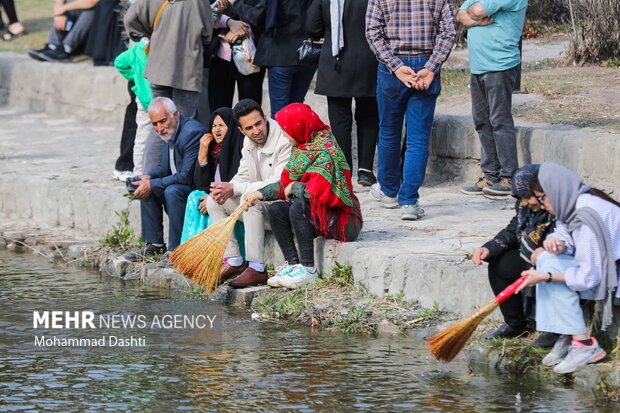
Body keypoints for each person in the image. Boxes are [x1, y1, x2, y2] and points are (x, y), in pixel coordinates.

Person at [517, 162, 620, 374]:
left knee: (548, 269)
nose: (541, 204)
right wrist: (556, 242)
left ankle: (584, 345)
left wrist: (545, 277)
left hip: (612, 279)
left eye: (542, 197)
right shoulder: (573, 205)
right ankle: (567, 331)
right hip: (601, 272)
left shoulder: (587, 216)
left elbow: (588, 278)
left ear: (556, 191)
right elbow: (565, 234)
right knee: (546, 257)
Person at [246, 103, 363, 289]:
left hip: (343, 220)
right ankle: (293, 265)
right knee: (276, 209)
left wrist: (295, 186)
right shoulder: (302, 148)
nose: (284, 135)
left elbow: (320, 193)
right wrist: (260, 194)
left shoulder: (325, 150)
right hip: (321, 214)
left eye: (286, 130)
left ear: (298, 126)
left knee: (297, 206)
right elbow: (284, 186)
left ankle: (308, 269)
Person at [366, 0, 456, 220]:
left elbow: (372, 32)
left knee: (388, 133)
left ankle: (388, 192)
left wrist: (395, 66)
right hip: (425, 65)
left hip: (392, 71)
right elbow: (449, 32)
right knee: (418, 139)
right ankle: (409, 201)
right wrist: (431, 67)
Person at [206, 98, 292, 288]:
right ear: (240, 130)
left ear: (265, 117)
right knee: (214, 201)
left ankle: (257, 267)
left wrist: (235, 189)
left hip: (282, 212)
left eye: (258, 123)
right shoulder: (249, 142)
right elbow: (243, 175)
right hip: (262, 209)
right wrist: (226, 189)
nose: (256, 131)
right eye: (249, 128)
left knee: (250, 200)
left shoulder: (283, 139)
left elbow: (280, 181)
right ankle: (234, 260)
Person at [472, 164, 558, 347]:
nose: (524, 203)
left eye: (527, 197)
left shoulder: (560, 208)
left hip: (559, 265)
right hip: (533, 256)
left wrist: (545, 251)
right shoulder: (525, 206)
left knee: (548, 263)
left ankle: (555, 330)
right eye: (520, 198)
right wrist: (489, 248)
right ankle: (516, 324)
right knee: (500, 263)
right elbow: (514, 230)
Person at [124, 97, 206, 262]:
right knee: (146, 186)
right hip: (182, 186)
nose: (159, 128)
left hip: (198, 190)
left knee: (171, 190)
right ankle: (154, 243)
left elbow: (185, 176)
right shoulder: (170, 130)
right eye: (154, 124)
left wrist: (152, 183)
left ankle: (177, 250)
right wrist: (148, 178)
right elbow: (164, 167)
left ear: (175, 115)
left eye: (162, 121)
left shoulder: (192, 133)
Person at [306, 0, 379, 187]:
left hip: (336, 62)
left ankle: (344, 170)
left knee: (340, 121)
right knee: (369, 115)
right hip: (370, 60)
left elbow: (312, 28)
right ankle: (366, 170)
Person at [458, 0, 527, 196]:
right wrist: (477, 21)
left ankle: (509, 177)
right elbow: (461, 15)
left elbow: (476, 9)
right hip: (478, 66)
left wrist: (474, 14)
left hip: (500, 65)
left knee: (500, 120)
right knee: (482, 121)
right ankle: (490, 175)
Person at [124, 0, 213, 119]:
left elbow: (130, 19)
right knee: (182, 122)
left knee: (161, 122)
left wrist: (152, 34)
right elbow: (207, 33)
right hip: (187, 71)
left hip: (158, 67)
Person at [234, 0, 316, 117]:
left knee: (280, 113)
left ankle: (280, 136)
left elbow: (257, 16)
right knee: (296, 109)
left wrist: (235, 3)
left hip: (280, 54)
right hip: (307, 55)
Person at [180, 107, 244, 244]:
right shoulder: (213, 149)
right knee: (195, 196)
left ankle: (219, 254)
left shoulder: (240, 147)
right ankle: (193, 249)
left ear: (231, 126)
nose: (217, 130)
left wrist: (211, 198)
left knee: (212, 203)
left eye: (221, 125)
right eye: (214, 126)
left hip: (234, 198)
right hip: (216, 196)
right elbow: (200, 184)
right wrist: (202, 154)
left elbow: (238, 182)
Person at [114, 37, 153, 178]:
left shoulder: (139, 49)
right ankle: (127, 167)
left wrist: (136, 78)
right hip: (155, 99)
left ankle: (138, 173)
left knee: (143, 137)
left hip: (143, 96)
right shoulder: (145, 48)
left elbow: (119, 62)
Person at [27, 0, 100, 63]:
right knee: (68, 2)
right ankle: (53, 46)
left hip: (96, 28)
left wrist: (64, 8)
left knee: (91, 10)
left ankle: (66, 49)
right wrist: (59, 12)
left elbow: (92, 1)